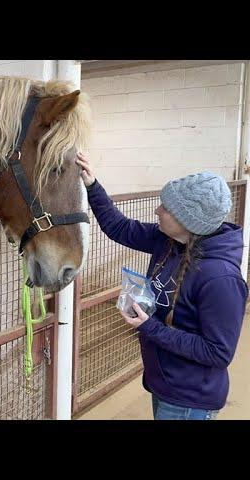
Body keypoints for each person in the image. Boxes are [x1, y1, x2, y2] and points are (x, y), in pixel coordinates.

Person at [76, 152, 247, 420]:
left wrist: (150, 327)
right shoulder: (169, 240)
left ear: (188, 221)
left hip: (188, 399)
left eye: (166, 208)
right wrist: (92, 185)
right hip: (165, 383)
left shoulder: (220, 278)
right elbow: (119, 228)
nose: (158, 210)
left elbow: (218, 352)